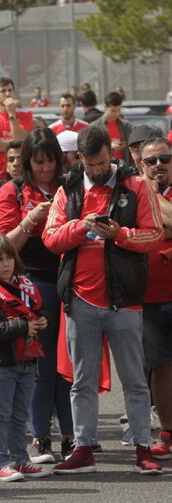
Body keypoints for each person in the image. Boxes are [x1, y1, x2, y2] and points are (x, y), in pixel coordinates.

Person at [43, 126, 164, 475]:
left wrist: (120, 235)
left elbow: (154, 234)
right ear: (78, 158)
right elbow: (51, 238)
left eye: (100, 163)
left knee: (135, 380)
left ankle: (143, 447)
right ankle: (83, 447)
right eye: (88, 163)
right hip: (80, 300)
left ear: (111, 153)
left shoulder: (136, 185)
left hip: (125, 299)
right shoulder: (69, 189)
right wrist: (81, 227)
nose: (95, 170)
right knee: (82, 381)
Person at [0, 128, 74, 462]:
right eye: (38, 162)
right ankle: (41, 436)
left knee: (70, 364)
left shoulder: (69, 187)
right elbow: (2, 247)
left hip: (71, 279)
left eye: (50, 162)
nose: (45, 169)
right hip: (33, 282)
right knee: (41, 362)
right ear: (28, 162)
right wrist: (29, 221)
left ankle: (74, 436)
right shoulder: (11, 191)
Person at [0, 232, 51, 481]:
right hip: (1, 362)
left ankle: (21, 459)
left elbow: (35, 311)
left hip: (26, 359)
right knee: (0, 413)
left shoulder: (24, 287)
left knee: (20, 414)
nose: (5, 264)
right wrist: (22, 326)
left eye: (9, 258)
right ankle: (0, 463)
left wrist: (41, 319)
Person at [137, 136, 172, 459]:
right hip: (149, 295)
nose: (159, 165)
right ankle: (167, 432)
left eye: (165, 159)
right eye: (151, 161)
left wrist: (150, 195)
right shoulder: (132, 194)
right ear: (141, 164)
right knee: (160, 367)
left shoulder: (143, 193)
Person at [0, 77, 34, 193]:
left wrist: (11, 114)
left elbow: (22, 141)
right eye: (3, 91)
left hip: (21, 171)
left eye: (10, 90)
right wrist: (16, 142)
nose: (8, 94)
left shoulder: (26, 114)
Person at [88, 91, 133, 162]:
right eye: (113, 111)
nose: (116, 114)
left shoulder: (126, 126)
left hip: (123, 166)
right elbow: (91, 149)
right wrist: (110, 146)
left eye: (119, 110)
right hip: (103, 166)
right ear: (105, 108)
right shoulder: (94, 127)